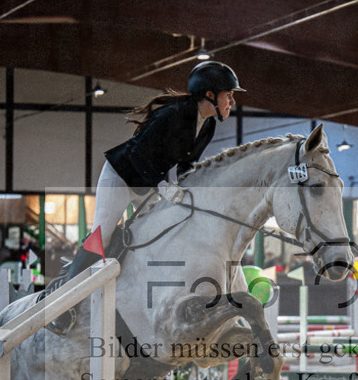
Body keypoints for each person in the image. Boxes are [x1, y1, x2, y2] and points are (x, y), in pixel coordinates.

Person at [59, 61, 245, 282]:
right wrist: (163, 187)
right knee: (103, 234)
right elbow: (137, 154)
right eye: (229, 95)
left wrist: (188, 192)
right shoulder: (172, 115)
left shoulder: (208, 125)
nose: (232, 101)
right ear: (209, 94)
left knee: (161, 232)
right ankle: (68, 288)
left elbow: (187, 165)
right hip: (122, 177)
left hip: (150, 185)